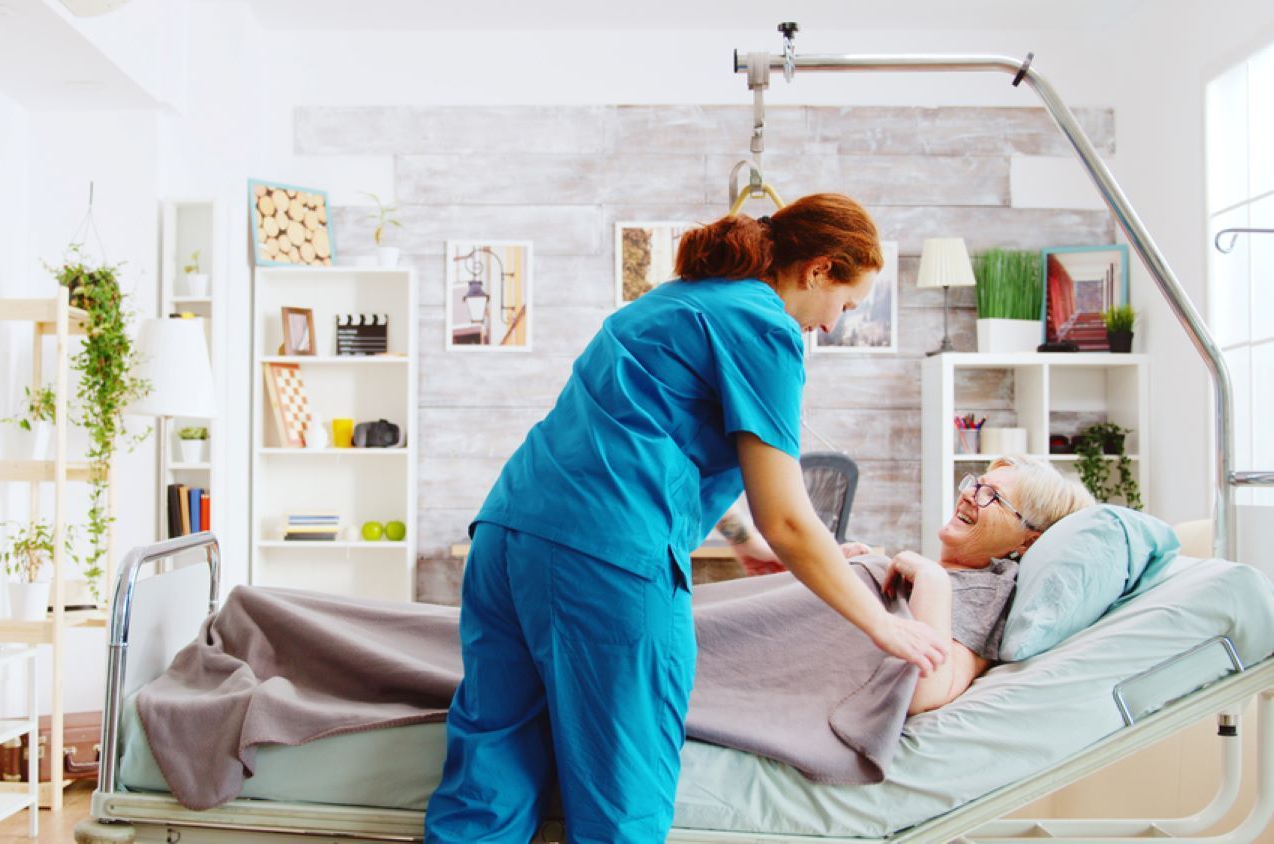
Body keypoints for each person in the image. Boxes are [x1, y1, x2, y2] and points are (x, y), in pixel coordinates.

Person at [424, 194, 951, 844]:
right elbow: (788, 518)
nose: (832, 325)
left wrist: (741, 541)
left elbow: (659, 438)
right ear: (819, 269)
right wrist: (881, 627)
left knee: (490, 768)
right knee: (623, 797)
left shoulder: (673, 300)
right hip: (605, 561)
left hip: (508, 538)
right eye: (845, 305)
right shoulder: (765, 326)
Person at [721, 455, 1094, 714]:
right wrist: (843, 570)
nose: (968, 493)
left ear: (1026, 541)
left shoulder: (986, 589)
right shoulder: (951, 576)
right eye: (975, 483)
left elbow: (925, 691)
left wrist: (932, 580)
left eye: (992, 496)